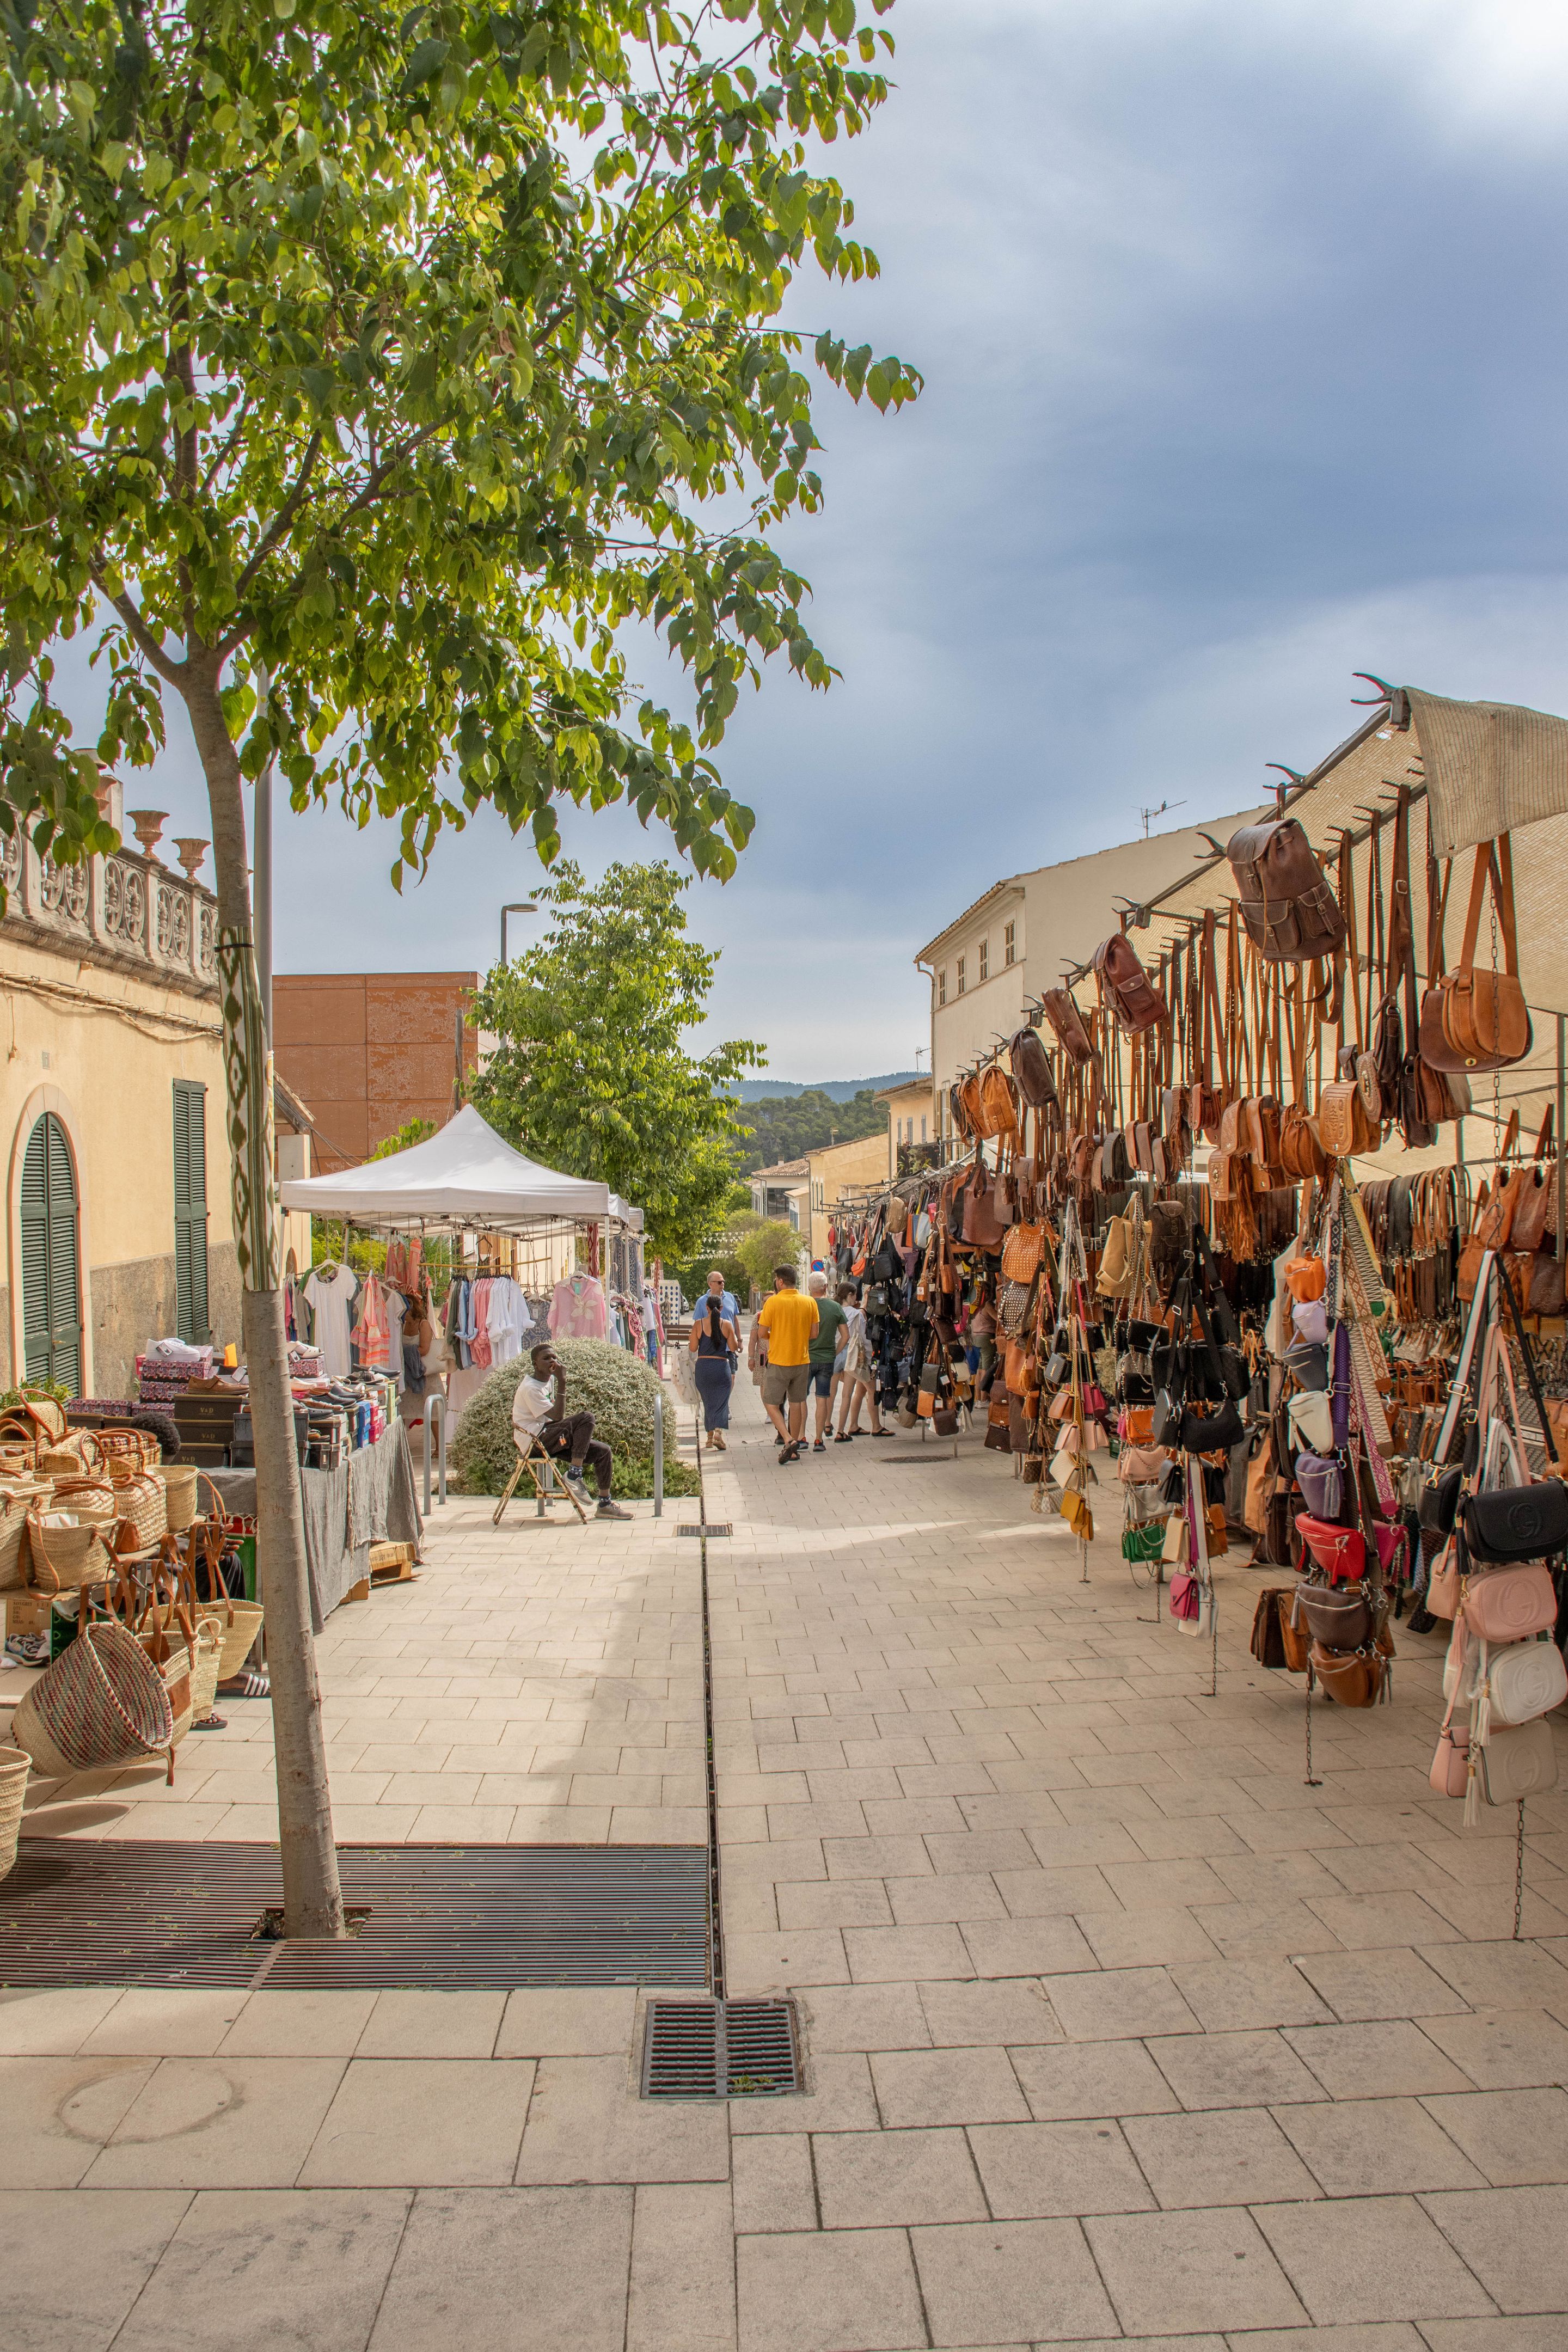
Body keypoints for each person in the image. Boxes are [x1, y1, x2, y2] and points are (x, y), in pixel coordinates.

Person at [510, 1344, 634, 1518]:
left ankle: (605, 1505)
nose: (552, 1361)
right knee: (587, 1418)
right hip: (534, 1443)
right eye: (546, 1358)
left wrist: (573, 1435)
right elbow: (558, 1416)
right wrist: (563, 1381)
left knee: (604, 1452)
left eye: (554, 1357)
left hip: (547, 1435)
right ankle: (574, 1474)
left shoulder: (548, 1380)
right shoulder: (530, 1388)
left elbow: (555, 1420)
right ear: (535, 1364)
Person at [755, 1264, 818, 1463]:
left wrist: (776, 1335)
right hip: (802, 1360)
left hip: (779, 1360)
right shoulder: (809, 1302)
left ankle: (788, 1439)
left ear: (780, 1281)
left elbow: (762, 1333)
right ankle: (794, 1447)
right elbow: (814, 1334)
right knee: (796, 1403)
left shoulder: (773, 1303)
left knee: (770, 1402)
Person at [689, 1273, 740, 1450]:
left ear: (707, 1307)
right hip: (721, 1367)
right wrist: (735, 1339)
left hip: (703, 1368)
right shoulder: (726, 1325)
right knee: (722, 1401)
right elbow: (733, 1347)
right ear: (721, 1307)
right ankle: (718, 1432)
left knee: (708, 1402)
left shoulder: (699, 1325)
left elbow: (693, 1348)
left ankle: (710, 1438)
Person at [834, 1283, 886, 1440]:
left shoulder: (836, 1311)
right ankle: (876, 1426)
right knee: (871, 1390)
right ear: (850, 1295)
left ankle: (852, 1425)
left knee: (858, 1391)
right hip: (855, 1357)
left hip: (838, 1354)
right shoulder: (856, 1315)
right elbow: (864, 1340)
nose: (856, 1298)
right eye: (855, 1295)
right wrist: (870, 1360)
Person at [805, 1271, 849, 1451]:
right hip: (827, 1359)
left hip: (805, 1358)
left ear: (809, 1288)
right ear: (825, 1287)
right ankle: (818, 1439)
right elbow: (846, 1336)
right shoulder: (835, 1307)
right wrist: (835, 1353)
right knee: (822, 1398)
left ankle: (801, 1437)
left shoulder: (805, 1306)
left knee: (800, 1399)